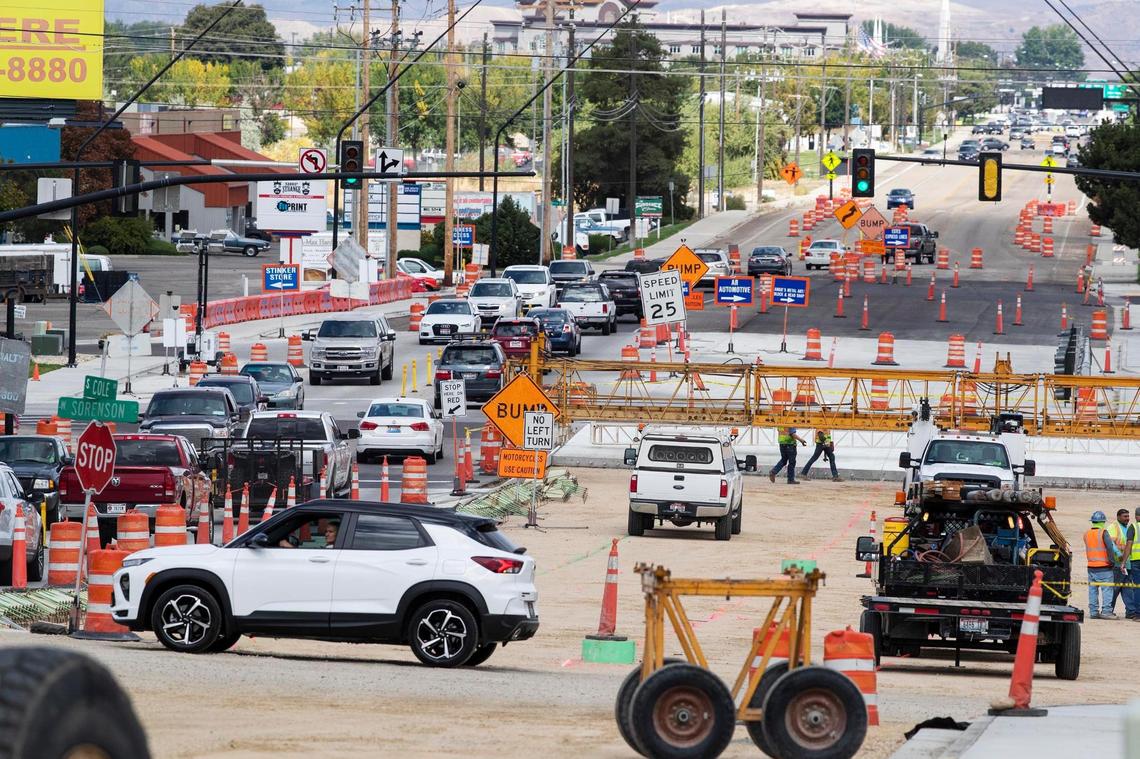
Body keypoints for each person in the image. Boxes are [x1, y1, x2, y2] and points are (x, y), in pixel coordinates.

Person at [1086, 511, 1115, 619]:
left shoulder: (1087, 534)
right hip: (1104, 567)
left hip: (1091, 567)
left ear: (1093, 521)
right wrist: (1112, 562)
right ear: (1103, 522)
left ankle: (1093, 612)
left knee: (1092, 590)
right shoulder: (1103, 532)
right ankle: (1106, 611)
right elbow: (1110, 548)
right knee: (1107, 590)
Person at [1106, 508, 1135, 619]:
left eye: (1128, 516)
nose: (1127, 518)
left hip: (1126, 564)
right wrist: (1118, 554)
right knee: (1115, 588)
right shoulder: (1114, 527)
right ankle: (1108, 610)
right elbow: (1111, 543)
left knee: (1127, 588)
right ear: (1118, 517)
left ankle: (1131, 611)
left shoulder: (1126, 528)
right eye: (1125, 516)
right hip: (1118, 564)